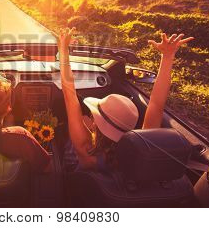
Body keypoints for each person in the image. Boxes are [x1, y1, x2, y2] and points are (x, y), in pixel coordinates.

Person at [58, 28, 194, 171]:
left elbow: (70, 95)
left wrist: (63, 50)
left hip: (80, 184)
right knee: (84, 119)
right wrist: (167, 57)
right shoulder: (141, 150)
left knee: (82, 120)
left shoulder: (86, 150)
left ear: (97, 124)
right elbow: (156, 104)